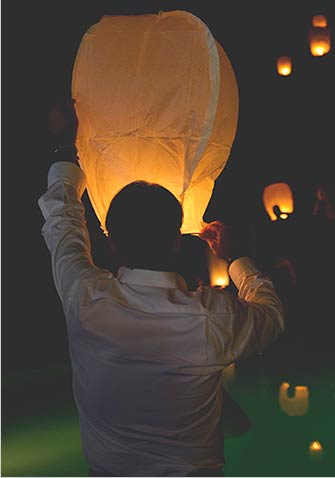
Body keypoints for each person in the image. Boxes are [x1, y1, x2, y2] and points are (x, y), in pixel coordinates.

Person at [39, 101, 285, 477]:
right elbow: (270, 315)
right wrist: (237, 259)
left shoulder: (85, 298)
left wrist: (63, 146)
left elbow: (63, 221)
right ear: (176, 241)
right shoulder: (211, 317)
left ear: (114, 243)